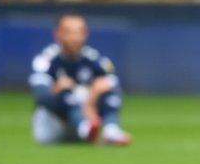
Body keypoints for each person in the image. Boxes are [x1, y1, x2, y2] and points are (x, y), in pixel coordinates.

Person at [28, 14, 131, 146]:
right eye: (69, 32)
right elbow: (42, 96)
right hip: (54, 126)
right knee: (66, 90)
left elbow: (113, 85)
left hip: (86, 115)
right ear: (57, 34)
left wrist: (91, 99)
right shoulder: (46, 59)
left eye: (79, 32)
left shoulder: (93, 57)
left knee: (104, 88)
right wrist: (58, 89)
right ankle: (85, 128)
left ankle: (111, 130)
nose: (75, 38)